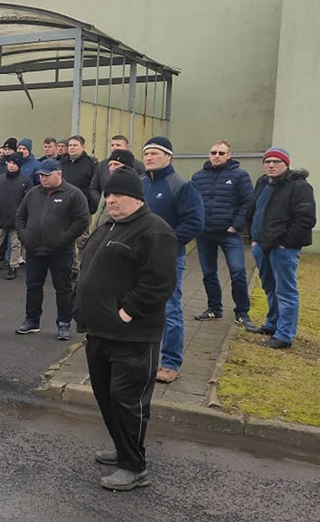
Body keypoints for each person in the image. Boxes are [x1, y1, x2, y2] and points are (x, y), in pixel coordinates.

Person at [74, 167, 179, 492]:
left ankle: (134, 467)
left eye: (118, 194)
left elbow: (160, 283)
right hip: (99, 332)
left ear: (137, 197)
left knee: (127, 400)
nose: (111, 200)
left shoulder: (154, 231)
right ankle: (122, 449)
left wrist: (127, 312)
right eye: (108, 194)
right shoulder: (108, 226)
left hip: (132, 336)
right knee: (106, 397)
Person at [141, 136, 205, 383]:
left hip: (167, 259)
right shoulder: (140, 184)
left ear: (169, 156)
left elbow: (194, 222)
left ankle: (170, 363)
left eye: (155, 153)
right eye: (146, 153)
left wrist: (165, 244)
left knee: (170, 309)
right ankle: (142, 358)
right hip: (138, 259)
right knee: (140, 308)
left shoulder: (181, 186)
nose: (149, 157)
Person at [246, 147, 317, 349]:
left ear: (286, 163)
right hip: (262, 246)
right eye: (267, 161)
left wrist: (286, 242)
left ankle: (284, 336)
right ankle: (272, 324)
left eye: (276, 162)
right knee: (270, 287)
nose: (271, 165)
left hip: (283, 249)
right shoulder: (263, 183)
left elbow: (306, 218)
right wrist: (253, 238)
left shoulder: (299, 186)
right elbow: (253, 210)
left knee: (286, 291)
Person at [15, 159, 90, 340]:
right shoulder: (33, 193)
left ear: (59, 173)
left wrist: (63, 239)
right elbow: (20, 216)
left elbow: (81, 220)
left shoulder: (73, 194)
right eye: (41, 175)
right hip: (34, 250)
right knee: (33, 286)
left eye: (47, 175)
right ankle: (32, 320)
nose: (43, 179)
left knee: (63, 288)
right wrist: (24, 237)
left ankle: (63, 323)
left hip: (60, 251)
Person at [190, 140, 256, 329]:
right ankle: (214, 309)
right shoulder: (198, 176)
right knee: (209, 273)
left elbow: (248, 203)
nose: (216, 156)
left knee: (238, 272)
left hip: (229, 234)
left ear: (229, 155)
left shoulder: (240, 176)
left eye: (221, 153)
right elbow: (193, 202)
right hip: (205, 234)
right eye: (213, 152)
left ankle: (242, 313)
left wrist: (236, 226)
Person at [61, 135, 99, 278]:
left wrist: (92, 206)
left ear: (83, 147)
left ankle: (81, 267)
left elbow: (95, 187)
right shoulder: (63, 164)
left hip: (83, 208)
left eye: (75, 145)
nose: (71, 148)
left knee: (81, 239)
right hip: (64, 208)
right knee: (66, 237)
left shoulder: (91, 164)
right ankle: (69, 265)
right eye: (70, 145)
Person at [0, 154, 32, 280]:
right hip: (0, 217)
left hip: (16, 219)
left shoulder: (25, 181)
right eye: (10, 162)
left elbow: (28, 201)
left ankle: (13, 267)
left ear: (19, 165)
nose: (11, 165)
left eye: (15, 163)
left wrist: (23, 216)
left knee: (15, 244)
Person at [90, 149, 136, 231]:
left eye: (116, 164)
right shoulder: (108, 186)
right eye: (110, 165)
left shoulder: (131, 190)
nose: (112, 168)